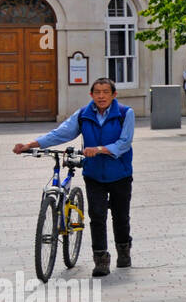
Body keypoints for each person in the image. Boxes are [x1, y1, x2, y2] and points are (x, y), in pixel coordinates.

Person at [12, 77, 135, 277]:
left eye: (106, 92)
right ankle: (101, 259)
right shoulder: (84, 115)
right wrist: (30, 145)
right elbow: (60, 134)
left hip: (120, 174)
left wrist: (100, 149)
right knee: (97, 215)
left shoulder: (124, 114)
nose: (101, 96)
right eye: (97, 92)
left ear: (114, 95)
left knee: (120, 217)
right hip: (94, 174)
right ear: (91, 95)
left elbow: (124, 143)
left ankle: (123, 250)